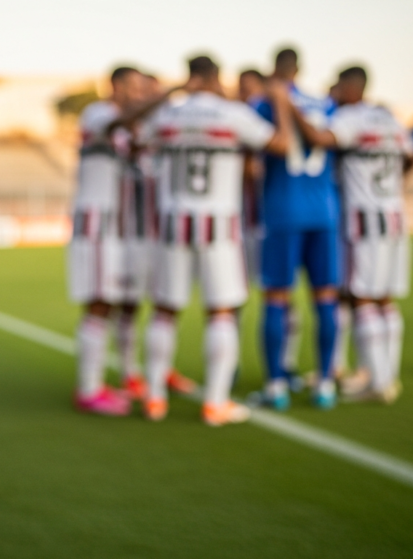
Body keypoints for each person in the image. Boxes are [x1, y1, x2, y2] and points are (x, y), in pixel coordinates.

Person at [139, 55, 291, 424]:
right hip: (219, 224)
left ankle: (155, 398)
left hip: (174, 221)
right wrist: (282, 106)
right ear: (216, 77)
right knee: (221, 311)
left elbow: (138, 137)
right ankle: (215, 402)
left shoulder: (169, 115)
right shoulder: (231, 114)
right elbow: (282, 145)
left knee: (165, 310)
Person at [294, 66, 413, 402]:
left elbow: (318, 139)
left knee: (361, 296)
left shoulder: (351, 119)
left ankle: (377, 384)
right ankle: (385, 374)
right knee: (386, 299)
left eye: (337, 86)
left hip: (363, 219)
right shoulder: (389, 119)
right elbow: (412, 155)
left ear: (352, 87)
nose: (333, 93)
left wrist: (291, 109)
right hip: (393, 215)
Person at [254, 48, 342, 410]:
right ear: (300, 69)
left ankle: (276, 385)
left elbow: (266, 146)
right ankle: (324, 382)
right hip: (324, 211)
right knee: (325, 298)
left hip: (283, 211)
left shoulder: (262, 104)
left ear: (275, 70)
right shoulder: (326, 105)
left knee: (276, 298)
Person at [68, 66, 148, 415]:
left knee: (115, 302)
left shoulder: (129, 127)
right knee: (99, 303)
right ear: (114, 85)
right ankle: (89, 390)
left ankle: (110, 380)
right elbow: (119, 124)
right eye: (133, 86)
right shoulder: (99, 112)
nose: (138, 93)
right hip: (97, 224)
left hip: (118, 228)